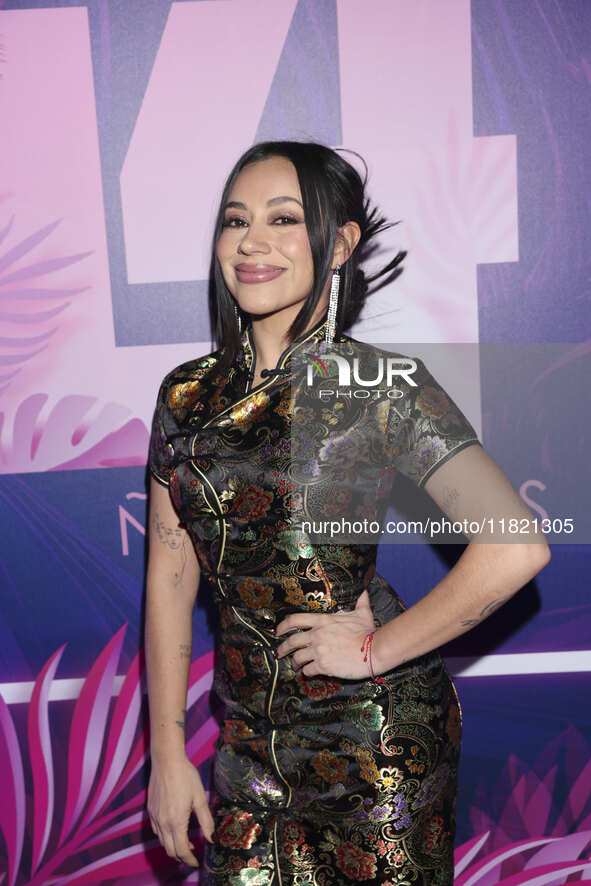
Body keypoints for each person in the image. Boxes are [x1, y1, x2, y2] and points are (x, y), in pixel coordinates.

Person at [145, 140, 551, 885]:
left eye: (284, 218)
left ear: (338, 244)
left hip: (374, 749)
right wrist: (167, 752)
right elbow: (171, 576)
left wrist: (374, 651)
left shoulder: (377, 386)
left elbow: (514, 545)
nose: (252, 241)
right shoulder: (183, 398)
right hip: (245, 749)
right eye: (235, 221)